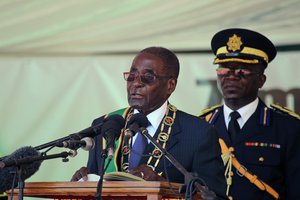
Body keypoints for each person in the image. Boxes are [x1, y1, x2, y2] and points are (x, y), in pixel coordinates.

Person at [71, 46, 227, 199]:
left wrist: (165, 186)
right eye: (131, 76)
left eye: (147, 77)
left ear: (170, 85)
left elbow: (215, 197)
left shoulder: (198, 133)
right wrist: (82, 184)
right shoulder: (107, 125)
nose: (136, 83)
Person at [199, 28, 300, 200]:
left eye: (241, 70)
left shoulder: (288, 128)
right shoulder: (200, 126)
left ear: (261, 80)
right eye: (224, 69)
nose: (231, 77)